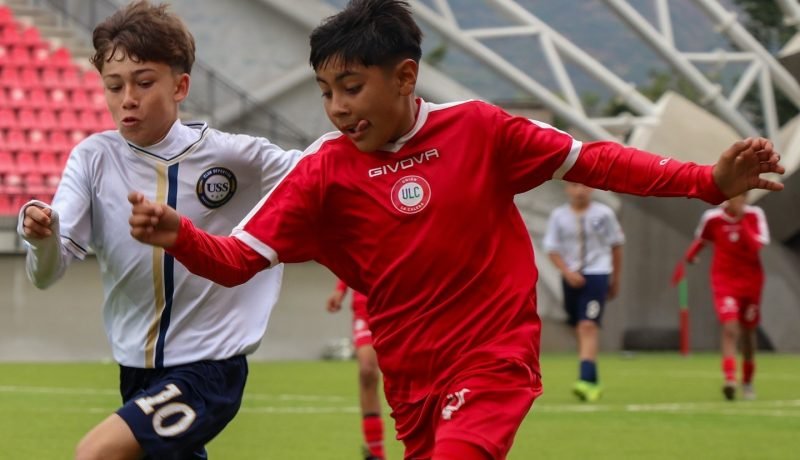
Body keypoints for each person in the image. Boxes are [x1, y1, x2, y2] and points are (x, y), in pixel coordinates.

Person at [127, 0, 784, 457]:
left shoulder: (479, 129)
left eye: (351, 87)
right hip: (411, 376)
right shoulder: (322, 171)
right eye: (325, 91)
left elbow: (598, 160)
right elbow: (239, 258)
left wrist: (707, 181)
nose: (336, 109)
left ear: (405, 77)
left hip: (493, 356)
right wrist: (181, 235)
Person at [17, 1, 302, 458]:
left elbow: (321, 171)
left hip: (209, 365)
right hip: (135, 369)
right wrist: (42, 238)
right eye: (114, 85)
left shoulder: (234, 155)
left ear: (180, 85)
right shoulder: (93, 158)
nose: (127, 97)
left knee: (98, 452)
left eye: (144, 82)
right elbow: (45, 274)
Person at [683, 194, 769, 401]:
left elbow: (757, 246)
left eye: (742, 195)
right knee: (730, 328)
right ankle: (730, 379)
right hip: (724, 281)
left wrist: (740, 220)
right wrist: (691, 256)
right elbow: (702, 239)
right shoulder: (712, 218)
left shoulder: (755, 215)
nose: (737, 199)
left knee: (748, 334)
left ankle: (747, 381)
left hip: (751, 283)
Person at [543, 183, 624, 402]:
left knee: (587, 325)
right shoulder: (559, 216)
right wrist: (567, 272)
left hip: (597, 274)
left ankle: (585, 380)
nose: (580, 190)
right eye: (575, 186)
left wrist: (615, 278)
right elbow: (551, 248)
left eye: (584, 185)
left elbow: (616, 245)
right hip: (570, 277)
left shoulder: (604, 214)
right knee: (577, 326)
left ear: (591, 189)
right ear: (567, 189)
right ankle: (594, 379)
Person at [327, 280, 386, 460]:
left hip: (399, 302)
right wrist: (340, 288)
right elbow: (352, 252)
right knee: (367, 371)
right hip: (365, 305)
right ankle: (376, 454)